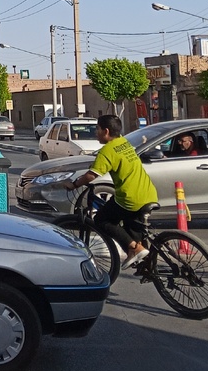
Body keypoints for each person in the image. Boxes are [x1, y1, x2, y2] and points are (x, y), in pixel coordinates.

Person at [61, 113, 158, 269]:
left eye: (97, 129)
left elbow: (91, 175)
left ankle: (135, 248)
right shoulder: (124, 142)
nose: (96, 132)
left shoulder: (107, 151)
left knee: (102, 219)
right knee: (129, 226)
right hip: (148, 193)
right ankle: (145, 263)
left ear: (106, 131)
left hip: (130, 198)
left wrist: (74, 185)